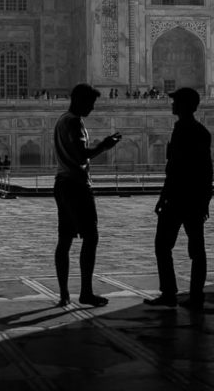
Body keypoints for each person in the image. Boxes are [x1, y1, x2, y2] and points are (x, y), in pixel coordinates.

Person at [53, 82, 122, 308]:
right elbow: (83, 156)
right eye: (90, 103)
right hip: (76, 185)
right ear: (80, 101)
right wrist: (105, 145)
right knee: (90, 237)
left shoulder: (62, 120)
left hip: (62, 183)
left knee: (64, 240)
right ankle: (86, 292)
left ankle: (64, 294)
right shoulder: (74, 122)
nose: (92, 108)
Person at [145, 87, 213, 312]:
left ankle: (176, 293)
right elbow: (177, 168)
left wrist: (202, 202)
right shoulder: (194, 130)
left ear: (185, 105)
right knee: (187, 248)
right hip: (186, 198)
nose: (171, 105)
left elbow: (197, 170)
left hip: (182, 198)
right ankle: (190, 295)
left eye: (175, 101)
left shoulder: (192, 132)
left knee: (175, 247)